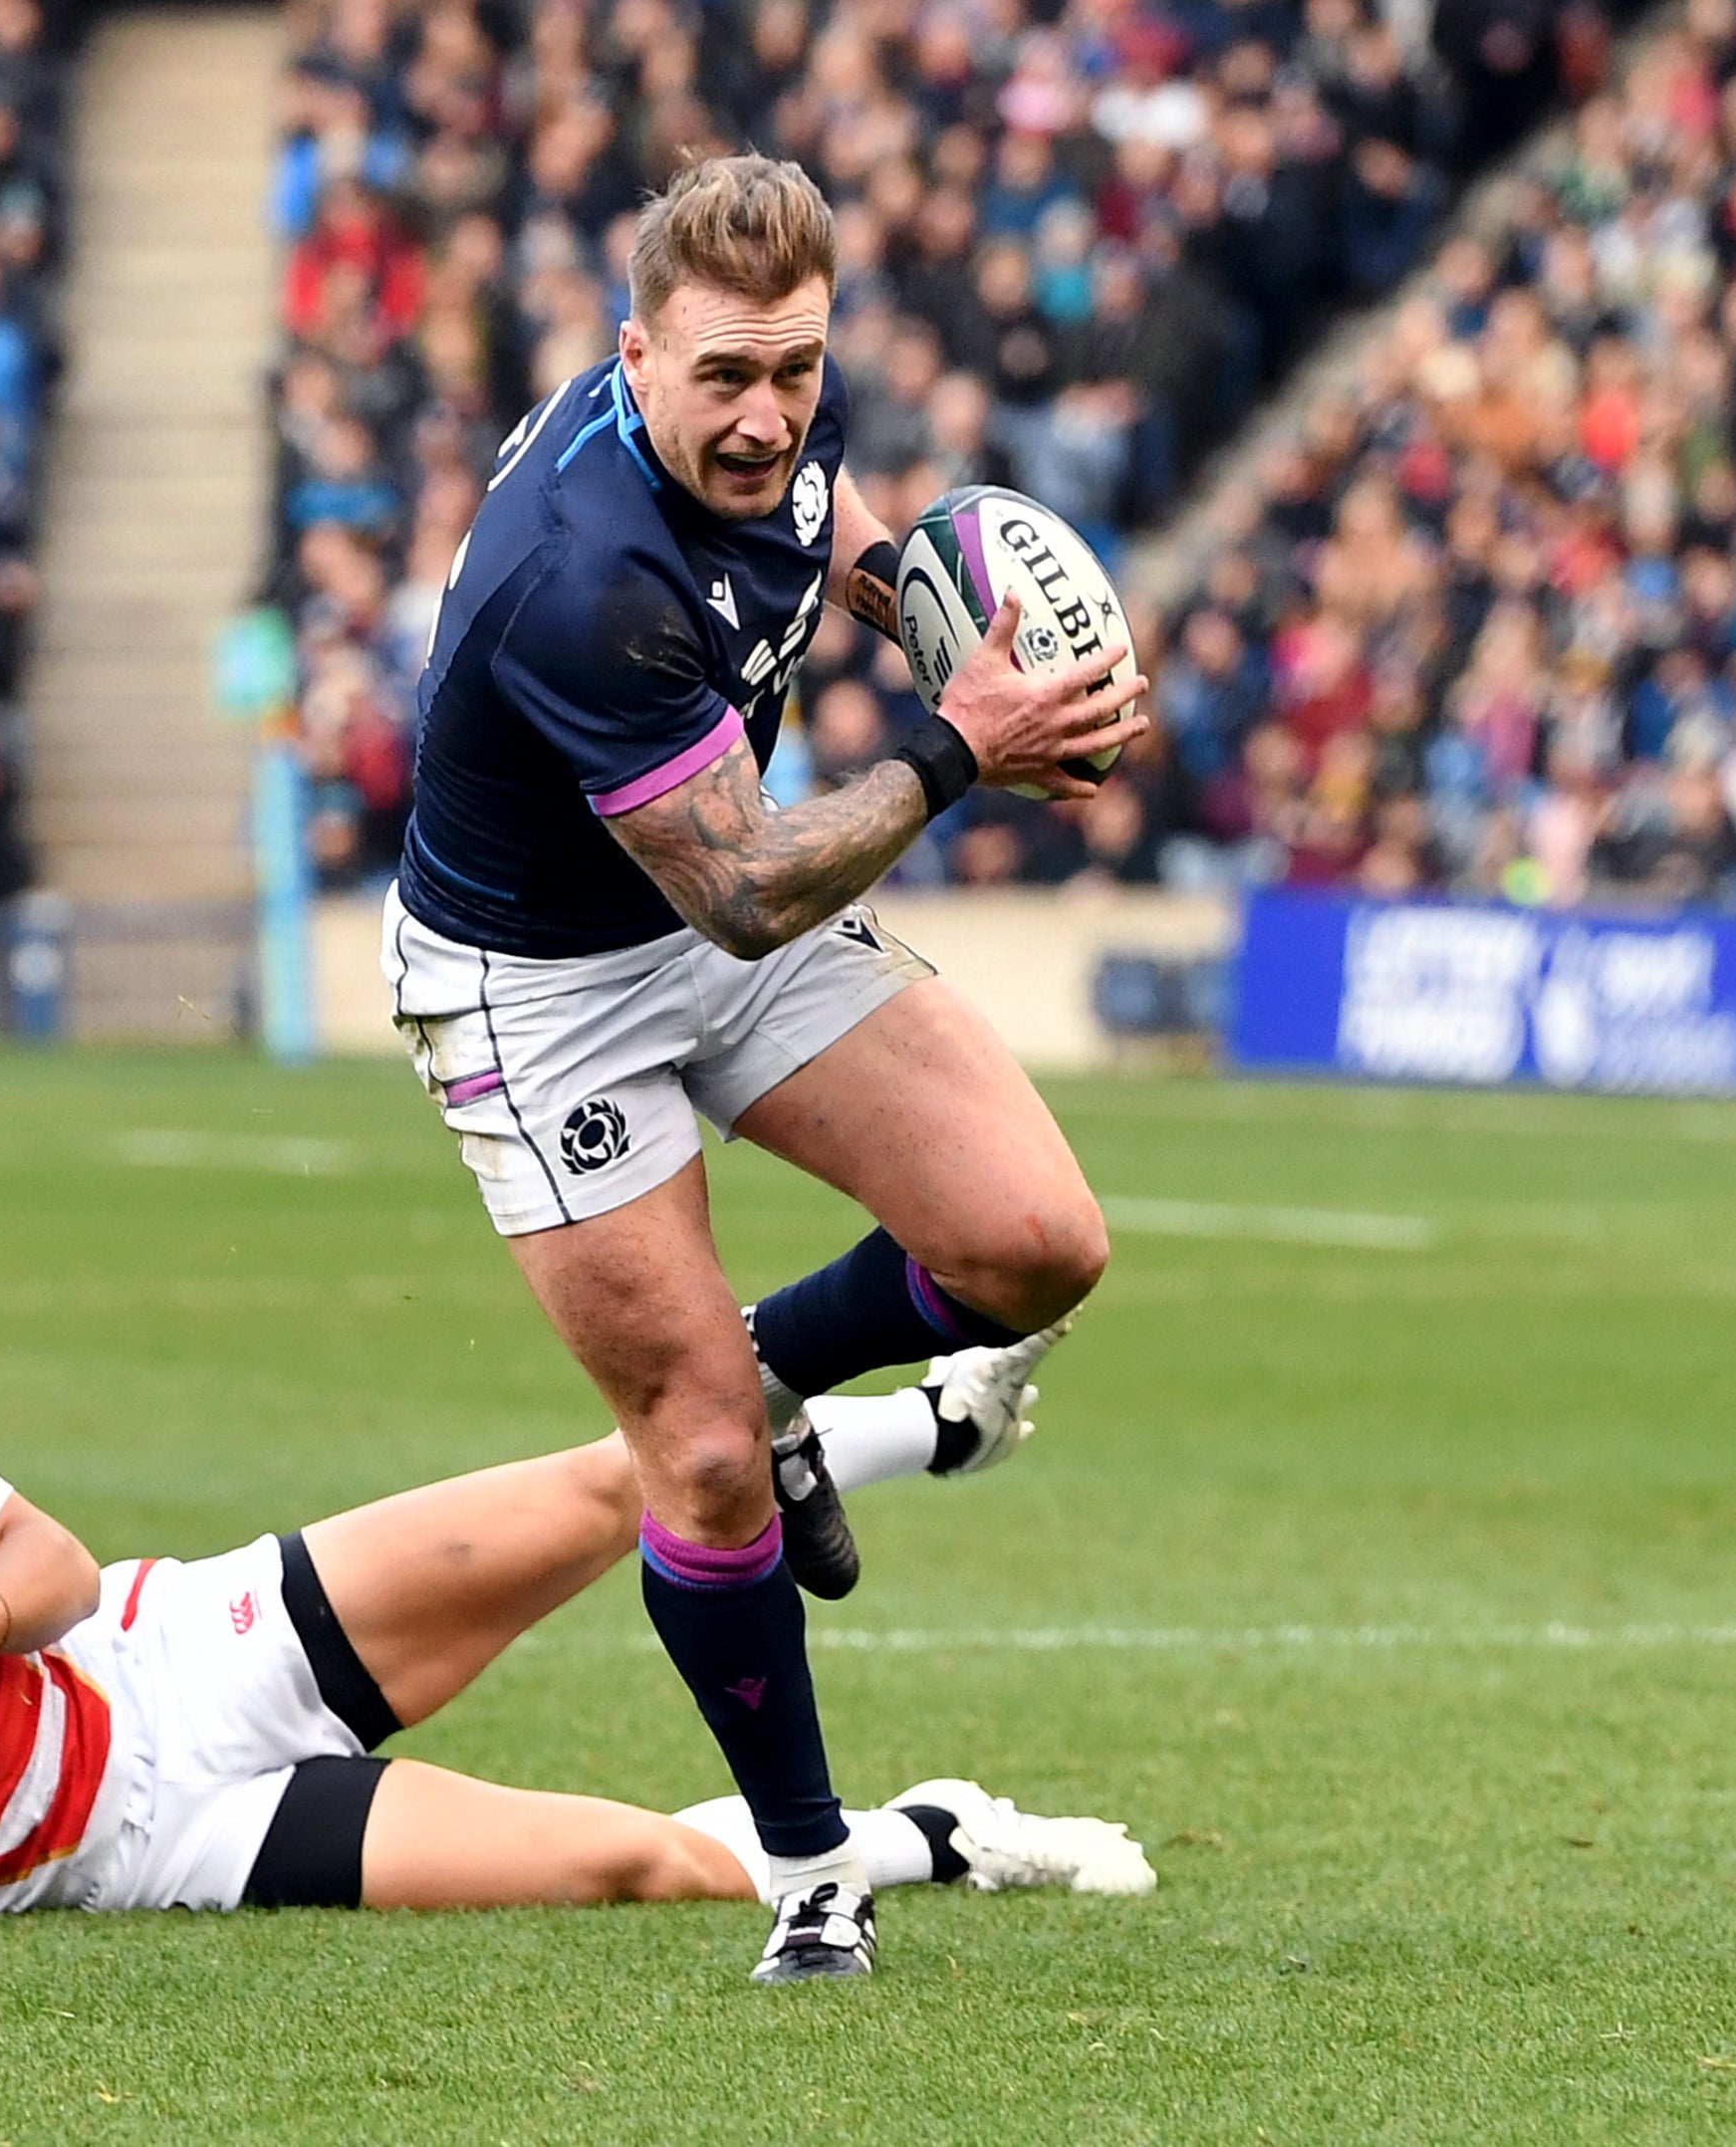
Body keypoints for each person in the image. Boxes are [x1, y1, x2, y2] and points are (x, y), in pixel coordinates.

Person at [387, 155, 1147, 1981]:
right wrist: (965, 748)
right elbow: (738, 890)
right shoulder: (586, 580)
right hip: (546, 985)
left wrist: (924, 607)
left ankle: (795, 1380)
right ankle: (812, 1870)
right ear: (635, 353)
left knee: (1038, 1244)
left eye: (796, 371)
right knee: (706, 1457)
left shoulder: (780, 420)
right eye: (722, 377)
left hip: (720, 877)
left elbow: (821, 510)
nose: (765, 417)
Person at [0, 1280, 1154, 1927]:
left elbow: (54, 1571)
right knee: (628, 1864)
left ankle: (940, 1423)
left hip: (163, 1652)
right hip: (133, 1856)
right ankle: (942, 1833)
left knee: (604, 1483)